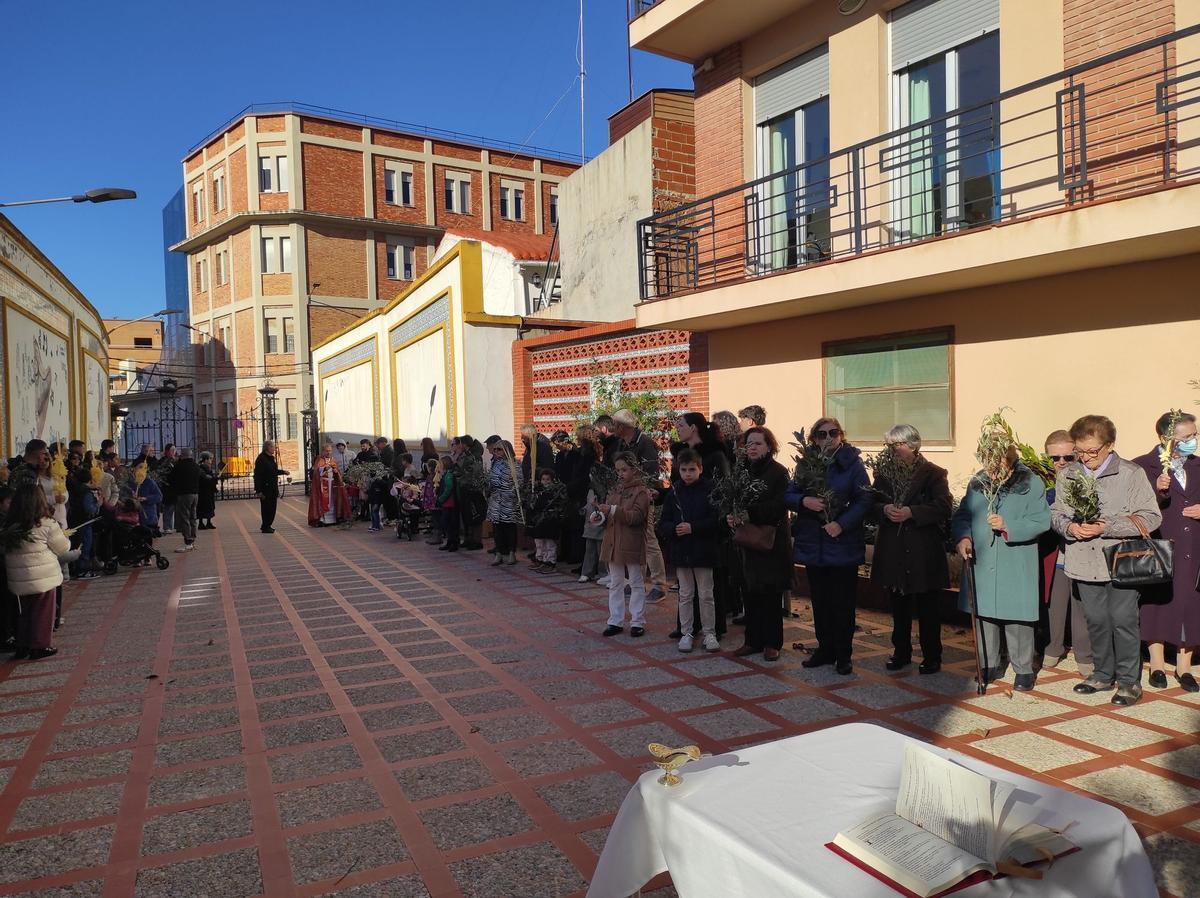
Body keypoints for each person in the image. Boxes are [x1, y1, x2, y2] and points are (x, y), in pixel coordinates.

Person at [1053, 415, 1162, 705]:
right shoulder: (1068, 474)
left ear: (1110, 446)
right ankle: (1102, 674)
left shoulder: (1130, 473)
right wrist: (1070, 528)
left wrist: (1107, 526)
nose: (1086, 457)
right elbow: (1056, 513)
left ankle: (1128, 682)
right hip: (1083, 560)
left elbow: (1151, 516)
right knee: (1097, 620)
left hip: (1121, 561)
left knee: (1123, 621)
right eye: (1081, 450)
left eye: (1093, 451)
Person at [956, 439, 1051, 691]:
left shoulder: (1030, 483)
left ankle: (1023, 669)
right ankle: (987, 664)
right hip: (982, 558)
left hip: (1015, 558)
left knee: (1018, 616)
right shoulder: (978, 481)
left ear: (1008, 458)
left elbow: (1042, 520)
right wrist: (964, 537)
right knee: (984, 614)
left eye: (996, 460)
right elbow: (964, 514)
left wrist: (1009, 525)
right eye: (986, 460)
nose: (990, 467)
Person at [786, 418, 871, 674]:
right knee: (820, 602)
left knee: (842, 604)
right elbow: (788, 494)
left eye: (833, 433)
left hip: (842, 544)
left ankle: (843, 654)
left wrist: (841, 524)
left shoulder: (853, 464)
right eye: (821, 434)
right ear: (813, 439)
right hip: (814, 544)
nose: (828, 438)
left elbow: (865, 498)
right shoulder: (806, 463)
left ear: (840, 436)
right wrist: (804, 501)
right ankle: (825, 650)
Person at [870, 424, 952, 674]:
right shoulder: (884, 474)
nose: (893, 450)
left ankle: (932, 655)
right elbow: (871, 503)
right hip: (895, 549)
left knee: (928, 607)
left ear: (913, 445)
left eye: (898, 445)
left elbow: (943, 507)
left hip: (922, 551)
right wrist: (884, 509)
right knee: (899, 606)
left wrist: (912, 512)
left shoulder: (933, 473)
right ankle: (901, 651)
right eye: (890, 446)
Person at [1133, 411, 1200, 692]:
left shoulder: (1198, 465)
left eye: (1194, 435)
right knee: (1157, 602)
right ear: (1165, 438)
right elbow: (1132, 507)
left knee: (1191, 604)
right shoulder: (1142, 466)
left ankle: (1184, 667)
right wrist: (1155, 489)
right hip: (1160, 546)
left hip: (1193, 547)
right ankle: (1157, 663)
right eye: (1186, 437)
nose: (1192, 441)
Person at [727, 428, 792, 661]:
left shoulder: (778, 472)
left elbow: (780, 506)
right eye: (749, 443)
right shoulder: (741, 471)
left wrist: (749, 513)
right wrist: (731, 514)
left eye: (758, 443)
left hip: (770, 542)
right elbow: (731, 498)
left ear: (769, 447)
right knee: (749, 592)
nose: (752, 448)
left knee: (770, 595)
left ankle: (772, 642)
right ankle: (752, 640)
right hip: (746, 541)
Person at [1039, 430, 1093, 677]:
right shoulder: (1045, 488)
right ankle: (1053, 647)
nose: (1061, 462)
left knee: (1080, 604)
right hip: (1057, 556)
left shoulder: (1091, 482)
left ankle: (1084, 654)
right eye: (1055, 458)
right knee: (1056, 603)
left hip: (1085, 555)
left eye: (1067, 457)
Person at [660, 449, 721, 653]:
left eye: (692, 469)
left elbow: (717, 520)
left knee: (706, 593)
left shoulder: (711, 489)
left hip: (703, 549)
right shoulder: (675, 490)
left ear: (700, 469)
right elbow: (664, 521)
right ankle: (686, 632)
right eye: (684, 469)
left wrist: (693, 527)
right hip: (682, 550)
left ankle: (709, 633)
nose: (688, 474)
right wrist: (673, 530)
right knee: (685, 594)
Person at [2, 482, 72, 660]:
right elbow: (62, 547)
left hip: (17, 577)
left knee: (24, 612)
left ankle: (23, 644)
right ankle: (40, 645)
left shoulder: (10, 525)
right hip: (43, 576)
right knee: (43, 611)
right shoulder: (46, 523)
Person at [612, 409, 669, 601]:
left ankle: (659, 584)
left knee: (649, 540)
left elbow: (651, 475)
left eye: (614, 424)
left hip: (643, 496)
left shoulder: (645, 443)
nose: (612, 428)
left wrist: (643, 493)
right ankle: (635, 581)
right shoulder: (622, 444)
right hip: (626, 495)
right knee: (631, 538)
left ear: (622, 426)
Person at [598, 452, 651, 637]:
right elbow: (608, 514)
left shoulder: (641, 491)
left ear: (634, 470)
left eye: (624, 470)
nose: (620, 473)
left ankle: (637, 621)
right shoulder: (615, 489)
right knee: (615, 582)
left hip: (631, 541)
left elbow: (636, 517)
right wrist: (599, 516)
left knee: (636, 581)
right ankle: (615, 620)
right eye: (618, 470)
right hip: (612, 541)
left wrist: (612, 510)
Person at [485, 437, 521, 565]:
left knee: (510, 527)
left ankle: (511, 553)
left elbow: (518, 482)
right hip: (496, 500)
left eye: (499, 449)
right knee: (497, 528)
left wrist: (509, 492)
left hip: (509, 501)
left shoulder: (515, 464)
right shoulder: (495, 464)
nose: (496, 452)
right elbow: (491, 480)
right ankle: (499, 553)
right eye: (495, 450)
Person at [528, 468, 567, 572]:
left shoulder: (556, 492)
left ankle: (550, 562)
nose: (546, 482)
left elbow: (558, 506)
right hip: (539, 521)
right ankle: (540, 559)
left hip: (550, 520)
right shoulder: (538, 492)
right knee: (540, 542)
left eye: (548, 479)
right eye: (543, 479)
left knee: (549, 543)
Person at [308, 443, 350, 527]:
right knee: (324, 502)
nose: (328, 453)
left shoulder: (333, 459)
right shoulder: (319, 459)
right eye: (327, 451)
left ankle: (333, 519)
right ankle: (323, 519)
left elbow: (337, 471)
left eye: (330, 451)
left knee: (332, 502)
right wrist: (323, 468)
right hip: (323, 484)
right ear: (323, 451)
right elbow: (316, 472)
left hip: (332, 484)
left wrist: (336, 471)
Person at [170, 447, 200, 553]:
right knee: (193, 517)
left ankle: (187, 541)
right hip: (195, 494)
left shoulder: (179, 466)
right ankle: (192, 539)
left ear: (182, 455)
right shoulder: (196, 466)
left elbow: (172, 478)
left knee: (184, 517)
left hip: (184, 495)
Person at [254, 441, 281, 533]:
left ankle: (268, 525)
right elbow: (258, 475)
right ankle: (265, 526)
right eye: (273, 447)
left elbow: (273, 471)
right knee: (267, 507)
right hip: (265, 488)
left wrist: (283, 472)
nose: (274, 448)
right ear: (268, 448)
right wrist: (259, 490)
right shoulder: (261, 459)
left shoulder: (271, 458)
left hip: (273, 487)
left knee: (272, 507)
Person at [436, 454, 460, 551]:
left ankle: (454, 542)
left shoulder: (449, 475)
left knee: (451, 523)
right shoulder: (446, 474)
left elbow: (448, 488)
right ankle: (450, 541)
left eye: (440, 463)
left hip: (450, 503)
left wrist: (441, 498)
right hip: (447, 503)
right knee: (447, 523)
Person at [196, 452, 219, 530]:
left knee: (210, 506)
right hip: (203, 491)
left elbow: (211, 477)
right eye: (210, 459)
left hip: (209, 490)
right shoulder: (201, 468)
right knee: (203, 506)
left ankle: (209, 522)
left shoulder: (208, 467)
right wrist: (212, 479)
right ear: (205, 460)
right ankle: (201, 523)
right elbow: (203, 479)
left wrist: (214, 478)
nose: (211, 460)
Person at [158, 444, 177, 533]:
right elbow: (160, 474)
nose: (174, 452)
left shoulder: (175, 461)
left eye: (174, 450)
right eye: (171, 450)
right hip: (167, 488)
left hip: (175, 488)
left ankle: (176, 526)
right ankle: (167, 527)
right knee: (168, 508)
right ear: (166, 451)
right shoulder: (162, 461)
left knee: (175, 508)